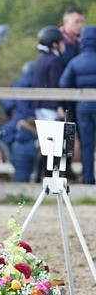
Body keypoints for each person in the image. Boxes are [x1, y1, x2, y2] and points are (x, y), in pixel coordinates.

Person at [60, 25, 96, 184]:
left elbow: (63, 83)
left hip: (83, 108)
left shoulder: (75, 62)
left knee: (86, 144)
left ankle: (88, 179)